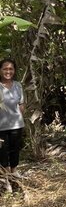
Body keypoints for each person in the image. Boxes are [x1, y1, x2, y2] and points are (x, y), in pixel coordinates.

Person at [0, 58, 25, 194]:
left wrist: (19, 118)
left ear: (14, 71)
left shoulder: (18, 86)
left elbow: (21, 104)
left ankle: (14, 173)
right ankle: (6, 179)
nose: (8, 71)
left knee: (15, 150)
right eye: (5, 68)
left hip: (16, 125)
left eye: (11, 69)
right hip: (1, 127)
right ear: (0, 70)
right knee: (3, 153)